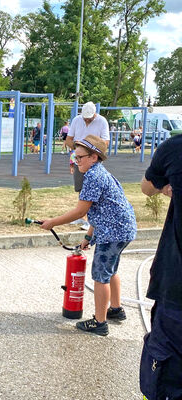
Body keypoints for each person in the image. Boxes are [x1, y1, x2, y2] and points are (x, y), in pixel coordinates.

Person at [40, 135, 136, 336]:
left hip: (112, 232)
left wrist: (51, 223)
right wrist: (88, 238)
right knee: (110, 269)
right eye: (75, 158)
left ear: (94, 157)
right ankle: (115, 310)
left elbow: (80, 212)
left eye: (80, 158)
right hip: (123, 229)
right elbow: (99, 211)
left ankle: (99, 323)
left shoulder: (93, 176)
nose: (77, 162)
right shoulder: (101, 172)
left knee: (100, 276)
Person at [139, 134, 182, 399]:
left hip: (177, 292)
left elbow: (147, 187)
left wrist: (167, 185)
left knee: (165, 380)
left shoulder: (176, 149)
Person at [65, 102, 110, 193]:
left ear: (94, 114)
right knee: (80, 188)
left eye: (89, 118)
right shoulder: (76, 120)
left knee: (94, 188)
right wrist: (78, 147)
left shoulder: (102, 121)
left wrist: (90, 147)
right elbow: (68, 140)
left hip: (93, 159)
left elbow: (105, 143)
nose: (87, 121)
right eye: (85, 118)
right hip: (79, 158)